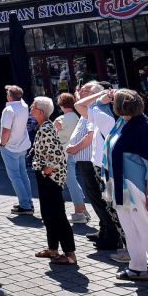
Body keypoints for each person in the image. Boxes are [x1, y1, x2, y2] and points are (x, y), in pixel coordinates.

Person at [100, 89, 148, 293]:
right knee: (131, 228)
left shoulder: (139, 127)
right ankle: (137, 266)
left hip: (136, 187)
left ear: (119, 106)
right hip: (120, 185)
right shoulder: (124, 121)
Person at [72, 82, 126, 258]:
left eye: (88, 91)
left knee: (112, 206)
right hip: (102, 164)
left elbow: (79, 105)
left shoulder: (101, 114)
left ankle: (124, 245)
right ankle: (121, 242)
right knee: (110, 205)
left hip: (103, 165)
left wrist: (101, 95)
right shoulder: (106, 114)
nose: (82, 93)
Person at [30, 96, 76, 266]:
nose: (30, 109)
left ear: (41, 111)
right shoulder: (44, 126)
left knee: (57, 215)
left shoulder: (47, 128)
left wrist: (47, 169)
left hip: (51, 177)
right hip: (44, 175)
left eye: (33, 107)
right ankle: (53, 249)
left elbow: (58, 154)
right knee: (48, 214)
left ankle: (70, 254)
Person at [0, 85, 34, 216]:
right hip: (22, 144)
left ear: (9, 96)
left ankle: (25, 204)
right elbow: (20, 98)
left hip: (11, 146)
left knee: (15, 176)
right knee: (23, 174)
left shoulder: (9, 110)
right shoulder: (24, 106)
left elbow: (6, 130)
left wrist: (2, 143)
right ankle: (28, 201)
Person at [54, 93, 89, 224]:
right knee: (73, 181)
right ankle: (82, 209)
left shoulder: (61, 119)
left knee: (71, 182)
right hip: (74, 152)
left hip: (64, 153)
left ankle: (79, 212)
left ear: (61, 105)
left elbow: (54, 132)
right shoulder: (77, 116)